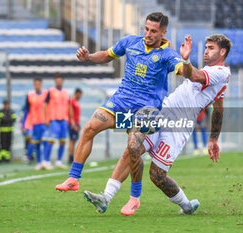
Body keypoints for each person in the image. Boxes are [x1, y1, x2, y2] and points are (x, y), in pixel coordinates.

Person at [83, 34, 232, 216]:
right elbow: (218, 108)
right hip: (162, 112)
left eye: (211, 48)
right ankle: (105, 197)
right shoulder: (216, 75)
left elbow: (194, 77)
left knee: (157, 175)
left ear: (222, 52)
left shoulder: (220, 73)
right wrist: (214, 139)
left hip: (178, 126)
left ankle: (186, 205)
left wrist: (184, 59)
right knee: (133, 148)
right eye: (206, 47)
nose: (206, 51)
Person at [55, 12, 184, 193]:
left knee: (132, 149)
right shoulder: (130, 42)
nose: (148, 34)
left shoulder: (168, 55)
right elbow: (107, 55)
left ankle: (135, 195)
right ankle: (73, 178)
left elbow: (184, 71)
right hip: (121, 103)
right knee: (90, 127)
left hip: (145, 111)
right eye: (146, 29)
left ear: (163, 32)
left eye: (153, 31)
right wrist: (88, 57)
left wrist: (184, 59)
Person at [43, 76, 74, 169]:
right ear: (55, 81)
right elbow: (45, 104)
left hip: (64, 120)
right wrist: (46, 118)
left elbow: (69, 106)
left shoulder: (66, 92)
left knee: (63, 141)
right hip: (54, 119)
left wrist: (71, 119)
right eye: (57, 80)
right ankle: (46, 161)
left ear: (62, 81)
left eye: (60, 80)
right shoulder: (51, 91)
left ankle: (59, 161)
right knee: (51, 141)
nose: (59, 82)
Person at [22, 78, 49, 170]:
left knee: (46, 141)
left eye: (39, 84)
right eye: (36, 84)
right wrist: (23, 124)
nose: (37, 85)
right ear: (34, 85)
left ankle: (45, 161)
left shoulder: (46, 94)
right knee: (36, 143)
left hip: (44, 122)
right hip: (34, 123)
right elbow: (26, 110)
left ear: (41, 84)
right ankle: (38, 162)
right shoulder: (30, 95)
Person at [68, 88, 83, 164]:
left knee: (74, 141)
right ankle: (70, 157)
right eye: (80, 94)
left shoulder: (77, 102)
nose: (80, 96)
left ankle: (72, 157)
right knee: (72, 141)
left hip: (76, 123)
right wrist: (73, 124)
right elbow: (70, 112)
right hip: (73, 124)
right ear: (77, 93)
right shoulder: (72, 101)